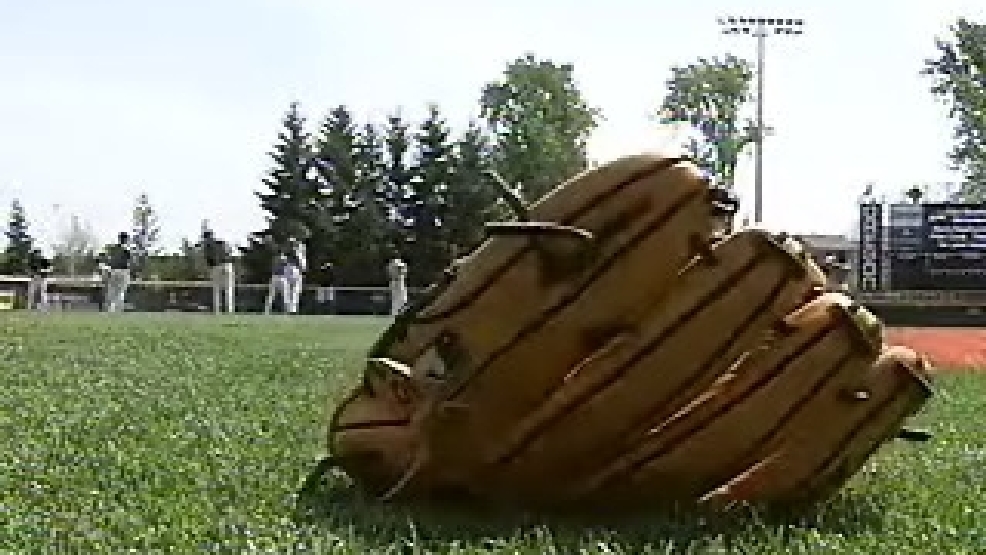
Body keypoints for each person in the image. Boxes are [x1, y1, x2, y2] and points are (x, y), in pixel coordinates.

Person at [202, 230, 235, 314]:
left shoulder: (207, 246)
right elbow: (229, 251)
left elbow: (209, 259)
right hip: (228, 265)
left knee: (216, 290)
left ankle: (217, 311)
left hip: (216, 266)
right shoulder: (221, 242)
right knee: (228, 289)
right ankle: (229, 311)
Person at [102, 232, 133, 313]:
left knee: (112, 292)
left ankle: (110, 310)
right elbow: (129, 263)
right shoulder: (127, 249)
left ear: (119, 239)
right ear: (126, 240)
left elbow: (109, 261)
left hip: (113, 271)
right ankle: (118, 311)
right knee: (120, 292)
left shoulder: (114, 249)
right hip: (123, 272)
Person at [264, 251, 290, 315]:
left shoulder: (275, 259)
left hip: (276, 278)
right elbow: (285, 263)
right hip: (281, 278)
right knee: (284, 295)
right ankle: (286, 311)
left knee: (272, 296)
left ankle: (267, 311)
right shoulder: (282, 259)